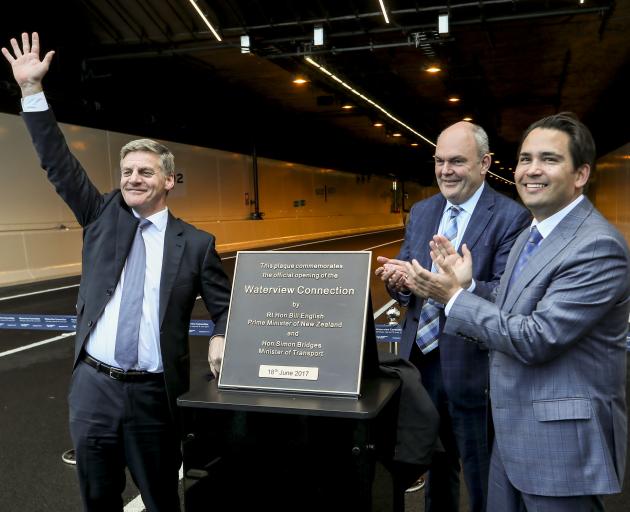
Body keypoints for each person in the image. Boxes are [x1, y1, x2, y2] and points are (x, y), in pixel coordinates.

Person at [2, 33, 231, 512]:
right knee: (97, 499)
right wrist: (31, 93)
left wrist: (220, 334)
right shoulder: (101, 215)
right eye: (127, 171)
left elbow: (225, 307)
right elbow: (57, 163)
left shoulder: (196, 244)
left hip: (154, 394)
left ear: (169, 180)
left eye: (145, 172)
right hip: (94, 389)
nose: (132, 178)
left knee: (162, 498)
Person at [408, 112, 630, 511]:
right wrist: (467, 286)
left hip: (558, 443)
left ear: (580, 174)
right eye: (526, 159)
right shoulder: (534, 233)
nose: (531, 170)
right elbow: (507, 312)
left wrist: (454, 298)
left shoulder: (598, 248)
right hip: (510, 433)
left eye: (549, 159)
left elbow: (535, 337)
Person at [375, 121, 530, 512]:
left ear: (485, 163)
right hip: (420, 365)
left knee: (481, 477)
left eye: (457, 161)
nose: (446, 170)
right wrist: (401, 282)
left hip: (475, 366)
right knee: (433, 468)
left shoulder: (512, 218)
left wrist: (460, 289)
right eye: (440, 161)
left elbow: (509, 295)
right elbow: (409, 284)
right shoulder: (424, 211)